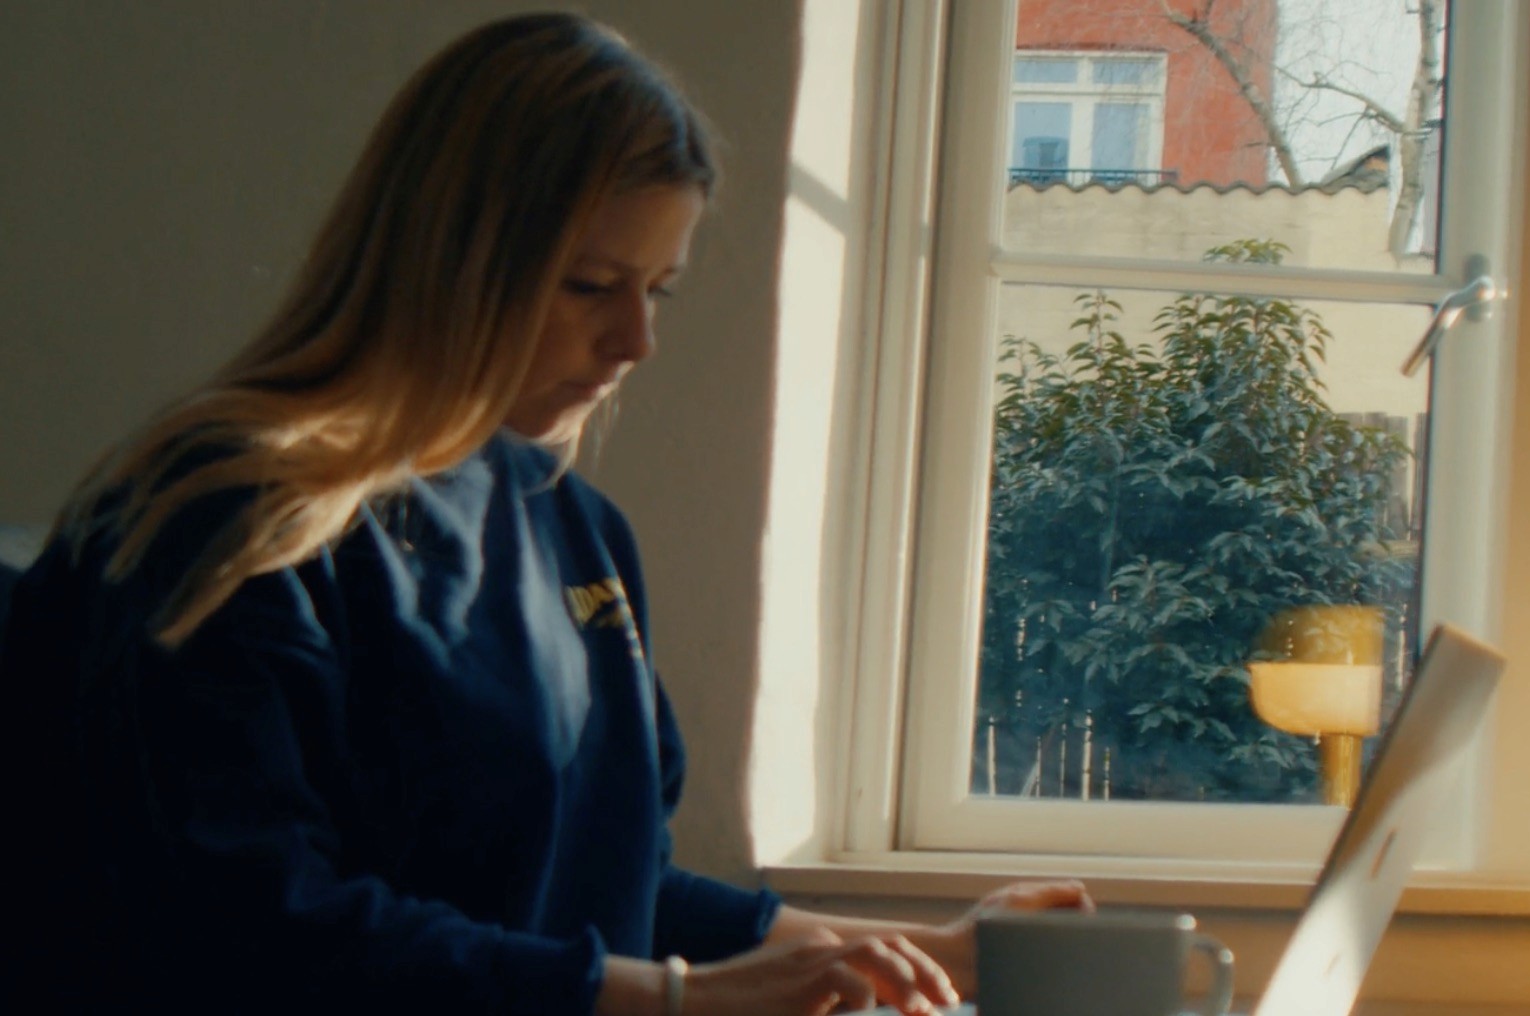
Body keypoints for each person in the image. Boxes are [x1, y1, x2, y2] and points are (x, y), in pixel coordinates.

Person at [0, 12, 1088, 1015]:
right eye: (588, 285)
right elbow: (258, 926)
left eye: (656, 289)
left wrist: (928, 953)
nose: (635, 343)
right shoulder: (221, 517)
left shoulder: (576, 527)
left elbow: (608, 874)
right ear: (452, 257)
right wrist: (683, 1000)